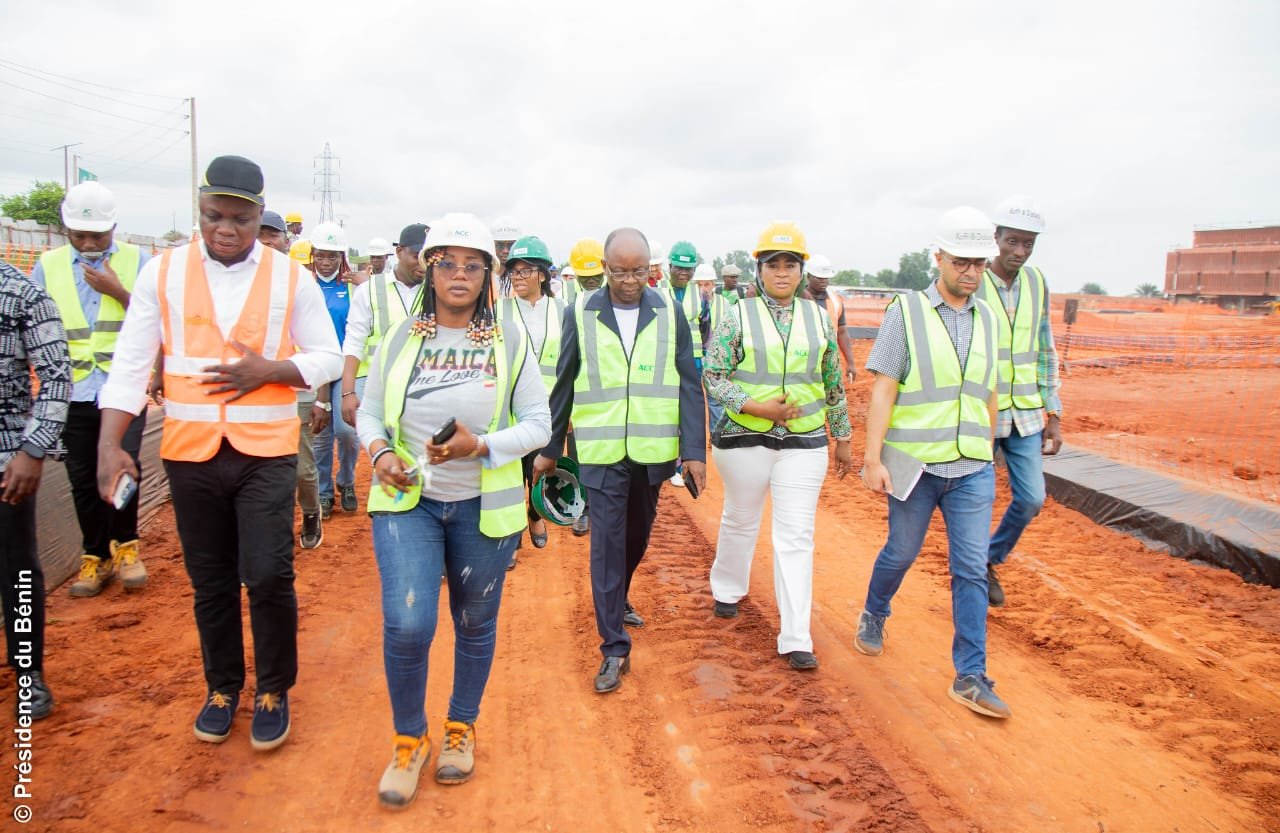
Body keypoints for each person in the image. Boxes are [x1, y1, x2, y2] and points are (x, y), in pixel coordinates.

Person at [97, 155, 343, 750]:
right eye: (213, 216)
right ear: (200, 210)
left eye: (239, 218)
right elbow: (130, 363)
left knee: (268, 574)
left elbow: (329, 357)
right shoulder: (162, 273)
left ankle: (273, 689)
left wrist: (273, 371)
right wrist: (109, 443)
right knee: (210, 581)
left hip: (266, 453)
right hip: (190, 454)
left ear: (259, 216)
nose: (225, 229)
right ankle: (222, 687)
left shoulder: (290, 278)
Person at [356, 213, 550, 806]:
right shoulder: (399, 338)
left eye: (472, 265)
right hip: (407, 501)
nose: (459, 274)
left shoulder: (509, 341)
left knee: (474, 622)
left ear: (487, 275)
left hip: (482, 507)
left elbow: (538, 425)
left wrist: (480, 446)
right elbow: (369, 412)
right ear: (429, 269)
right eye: (447, 263)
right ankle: (409, 739)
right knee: (407, 624)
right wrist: (379, 451)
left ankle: (461, 727)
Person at [533, 228, 706, 695]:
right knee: (606, 544)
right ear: (605, 268)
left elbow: (688, 381)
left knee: (635, 538)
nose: (630, 281)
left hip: (652, 450)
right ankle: (614, 646)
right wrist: (551, 447)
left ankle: (618, 594)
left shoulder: (669, 310)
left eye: (639, 271)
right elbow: (564, 382)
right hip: (601, 451)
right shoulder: (580, 311)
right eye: (620, 272)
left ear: (651, 268)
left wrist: (694, 451)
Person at [854, 206, 1007, 719]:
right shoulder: (907, 312)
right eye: (962, 261)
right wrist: (872, 458)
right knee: (901, 552)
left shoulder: (989, 319)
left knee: (971, 568)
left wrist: (990, 448)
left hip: (971, 467)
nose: (971, 272)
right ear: (938, 257)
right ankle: (875, 611)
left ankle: (971, 675)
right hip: (916, 465)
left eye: (979, 263)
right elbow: (884, 389)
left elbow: (989, 390)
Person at [703, 223, 853, 671]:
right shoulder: (737, 315)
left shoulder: (819, 318)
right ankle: (728, 588)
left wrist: (842, 436)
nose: (782, 272)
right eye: (774, 265)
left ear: (802, 271)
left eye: (791, 264)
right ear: (760, 270)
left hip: (804, 442)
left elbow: (832, 381)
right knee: (741, 518)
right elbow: (714, 376)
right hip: (745, 438)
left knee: (796, 535)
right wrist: (757, 407)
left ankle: (795, 636)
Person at [31, 181, 151, 597]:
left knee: (124, 468)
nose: (87, 244)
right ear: (65, 229)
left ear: (113, 228)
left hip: (124, 387)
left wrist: (116, 291)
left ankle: (127, 549)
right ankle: (96, 555)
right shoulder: (48, 266)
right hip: (72, 390)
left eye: (97, 236)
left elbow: (155, 320)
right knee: (82, 478)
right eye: (78, 235)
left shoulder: (138, 261)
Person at [978, 196, 1063, 607]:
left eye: (1028, 243)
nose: (1020, 251)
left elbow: (1045, 346)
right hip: (982, 411)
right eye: (1012, 241)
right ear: (996, 238)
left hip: (1026, 413)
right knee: (977, 498)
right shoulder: (975, 281)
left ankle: (988, 559)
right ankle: (973, 571)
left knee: (1031, 499)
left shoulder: (1036, 282)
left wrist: (1054, 411)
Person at [0, 259, 70, 720]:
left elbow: (57, 377)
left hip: (7, 454)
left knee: (17, 568)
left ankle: (29, 673)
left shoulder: (22, 294)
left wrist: (33, 448)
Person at [259, 214, 326, 549]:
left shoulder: (300, 283)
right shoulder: (234, 285)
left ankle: (311, 511)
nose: (265, 241)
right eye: (260, 234)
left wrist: (321, 397)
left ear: (285, 240)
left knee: (301, 467)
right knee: (263, 470)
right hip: (254, 395)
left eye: (272, 235)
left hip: (298, 390)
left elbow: (325, 350)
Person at [502, 235, 563, 568]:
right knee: (512, 474)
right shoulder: (500, 311)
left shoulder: (562, 311)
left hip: (550, 408)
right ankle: (513, 536)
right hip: (511, 408)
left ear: (542, 274)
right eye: (514, 271)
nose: (518, 277)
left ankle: (534, 513)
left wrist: (569, 410)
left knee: (539, 469)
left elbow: (572, 363)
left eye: (526, 271)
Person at [339, 224, 428, 436]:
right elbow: (354, 341)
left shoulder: (437, 291)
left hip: (420, 383)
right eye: (416, 256)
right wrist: (348, 392)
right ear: (399, 252)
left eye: (428, 258)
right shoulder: (369, 290)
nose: (423, 264)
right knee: (369, 438)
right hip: (374, 381)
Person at [309, 222, 360, 518]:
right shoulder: (305, 285)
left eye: (332, 256)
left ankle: (347, 481)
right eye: (321, 255)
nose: (326, 261)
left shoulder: (352, 287)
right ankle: (324, 492)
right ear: (313, 255)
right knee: (320, 435)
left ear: (341, 257)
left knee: (347, 431)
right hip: (315, 368)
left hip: (343, 368)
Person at [561, 238, 608, 538]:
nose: (591, 282)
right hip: (582, 398)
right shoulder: (571, 309)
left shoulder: (620, 306)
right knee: (579, 455)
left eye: (596, 276)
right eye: (585, 277)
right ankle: (583, 509)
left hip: (613, 398)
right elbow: (567, 363)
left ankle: (604, 509)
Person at [661, 241, 709, 488]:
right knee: (667, 411)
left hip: (693, 361)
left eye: (688, 269)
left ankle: (680, 465)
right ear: (669, 266)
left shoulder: (700, 295)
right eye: (679, 268)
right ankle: (666, 461)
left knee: (687, 412)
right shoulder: (657, 290)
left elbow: (705, 326)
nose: (683, 273)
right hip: (665, 360)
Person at [804, 254, 857, 385]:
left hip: (829, 361)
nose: (823, 281)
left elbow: (842, 332)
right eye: (819, 277)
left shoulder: (835, 301)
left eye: (826, 277)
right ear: (808, 276)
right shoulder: (796, 299)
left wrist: (850, 363)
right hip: (802, 360)